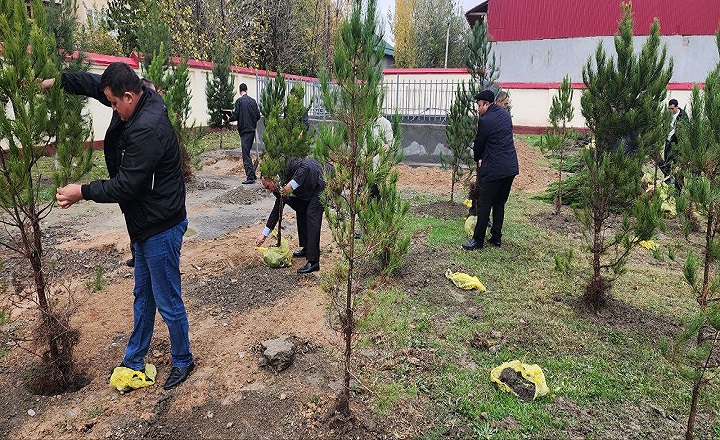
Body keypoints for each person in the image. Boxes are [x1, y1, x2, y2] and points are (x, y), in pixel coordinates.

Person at [52, 62, 194, 390]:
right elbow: (96, 85)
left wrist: (82, 191)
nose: (113, 109)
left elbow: (126, 185)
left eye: (115, 104)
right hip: (146, 224)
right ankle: (133, 360)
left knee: (167, 299)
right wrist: (57, 80)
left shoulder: (146, 127)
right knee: (143, 295)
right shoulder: (139, 96)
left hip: (161, 225)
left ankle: (184, 360)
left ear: (129, 97)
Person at [462, 90, 519, 250]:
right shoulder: (505, 115)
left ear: (486, 104)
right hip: (511, 168)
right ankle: (496, 238)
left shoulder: (485, 120)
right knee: (499, 203)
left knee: (485, 203)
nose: (478, 109)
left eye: (479, 106)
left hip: (494, 169)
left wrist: (478, 158)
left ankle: (478, 240)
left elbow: (479, 144)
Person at [255, 157, 325, 274]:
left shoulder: (287, 166)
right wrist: (264, 234)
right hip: (306, 191)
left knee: (312, 215)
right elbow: (277, 210)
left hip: (320, 184)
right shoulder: (277, 189)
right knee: (301, 209)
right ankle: (307, 248)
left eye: (267, 186)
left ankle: (313, 262)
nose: (269, 190)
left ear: (272, 178)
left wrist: (291, 185)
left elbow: (307, 165)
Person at [226, 83, 261, 184]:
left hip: (244, 131)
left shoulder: (239, 101)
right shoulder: (253, 101)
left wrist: (229, 119)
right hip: (251, 129)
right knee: (247, 153)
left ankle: (250, 177)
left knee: (245, 154)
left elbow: (236, 115)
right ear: (247, 90)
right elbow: (258, 116)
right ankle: (252, 175)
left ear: (239, 90)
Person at [659, 98, 686, 180]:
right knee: (667, 163)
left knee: (678, 166)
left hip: (678, 144)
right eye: (669, 108)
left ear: (677, 107)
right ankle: (667, 181)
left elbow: (685, 129)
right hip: (668, 142)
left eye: (672, 108)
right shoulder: (667, 115)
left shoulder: (683, 116)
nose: (670, 110)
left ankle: (678, 187)